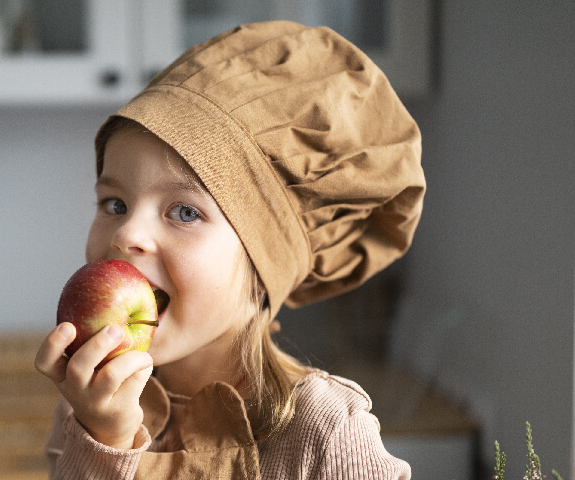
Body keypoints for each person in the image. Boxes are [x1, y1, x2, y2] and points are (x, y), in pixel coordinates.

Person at [35, 20, 425, 479]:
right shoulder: (89, 404)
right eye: (115, 203)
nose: (125, 235)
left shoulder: (325, 433)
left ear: (263, 265)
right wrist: (102, 441)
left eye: (184, 212)